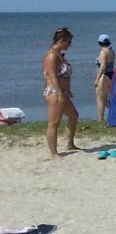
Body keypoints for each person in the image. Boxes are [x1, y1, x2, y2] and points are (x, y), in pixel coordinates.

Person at [42, 27, 79, 159]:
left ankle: (69, 143)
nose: (70, 45)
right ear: (61, 41)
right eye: (68, 42)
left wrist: (66, 91)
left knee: (73, 115)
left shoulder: (59, 55)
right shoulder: (51, 56)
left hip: (62, 91)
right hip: (55, 92)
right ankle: (53, 153)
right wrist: (60, 94)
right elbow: (52, 76)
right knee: (54, 122)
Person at [94, 33, 116, 124]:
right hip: (111, 75)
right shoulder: (111, 51)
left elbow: (103, 66)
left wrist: (97, 79)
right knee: (105, 99)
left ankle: (100, 119)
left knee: (100, 99)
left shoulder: (103, 52)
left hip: (104, 76)